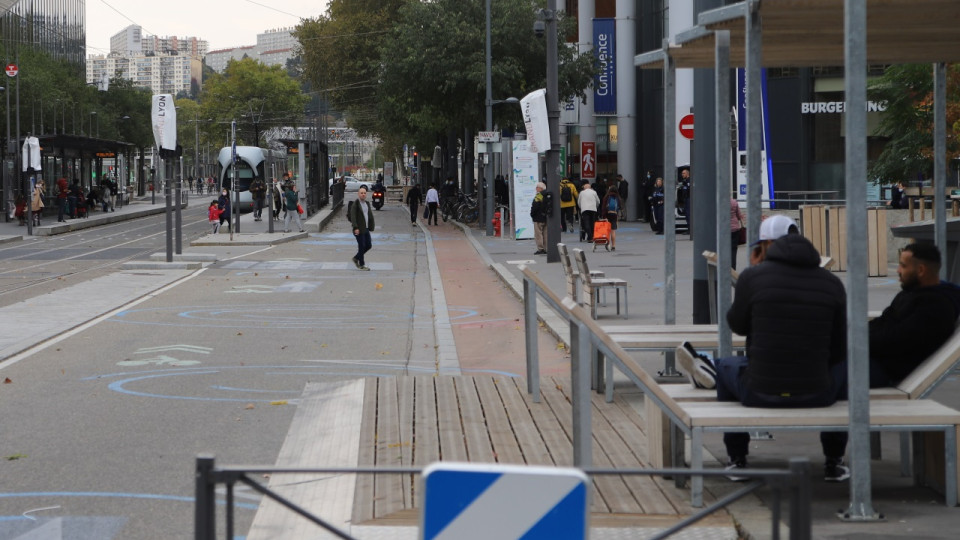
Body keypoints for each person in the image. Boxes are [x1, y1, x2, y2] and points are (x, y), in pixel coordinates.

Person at [676, 215, 850, 483]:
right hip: (818, 392)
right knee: (842, 368)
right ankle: (833, 461)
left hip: (759, 390)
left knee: (726, 366)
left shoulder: (753, 277)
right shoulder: (831, 283)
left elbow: (738, 325)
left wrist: (752, 276)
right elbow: (838, 348)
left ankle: (738, 460)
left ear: (767, 244)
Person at [868, 243, 960, 387]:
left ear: (921, 270)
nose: (898, 270)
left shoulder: (936, 308)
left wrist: (857, 340)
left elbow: (895, 340)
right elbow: (883, 323)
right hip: (873, 362)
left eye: (903, 266)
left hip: (884, 371)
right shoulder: (909, 294)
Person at [349, 186, 376, 270]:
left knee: (368, 245)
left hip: (366, 228)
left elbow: (369, 215)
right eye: (361, 193)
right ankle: (361, 264)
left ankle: (356, 258)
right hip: (359, 229)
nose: (363, 195)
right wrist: (355, 227)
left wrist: (371, 225)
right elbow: (353, 217)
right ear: (358, 194)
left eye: (364, 193)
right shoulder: (356, 204)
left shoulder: (367, 203)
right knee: (361, 246)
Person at [601, 185, 623, 251]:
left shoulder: (606, 197)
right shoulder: (618, 197)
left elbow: (604, 207)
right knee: (613, 231)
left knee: (607, 231)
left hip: (607, 214)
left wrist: (604, 216)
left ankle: (608, 244)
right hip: (614, 214)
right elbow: (620, 207)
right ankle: (613, 246)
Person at [530, 182, 549, 255]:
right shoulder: (547, 195)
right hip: (546, 217)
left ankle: (540, 249)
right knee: (545, 233)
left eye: (537, 187)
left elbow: (535, 206)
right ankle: (545, 248)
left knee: (538, 234)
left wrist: (532, 214)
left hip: (538, 217)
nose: (536, 188)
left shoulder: (539, 196)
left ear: (540, 188)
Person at [730, 198, 745, 269]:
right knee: (733, 250)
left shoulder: (719, 201)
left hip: (723, 230)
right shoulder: (734, 202)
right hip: (735, 229)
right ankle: (733, 268)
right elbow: (739, 216)